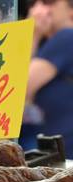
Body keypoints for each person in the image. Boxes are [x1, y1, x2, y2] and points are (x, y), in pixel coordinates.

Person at [20, 0, 73, 156]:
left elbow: (18, 88)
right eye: (33, 3)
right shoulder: (53, 43)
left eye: (48, 2)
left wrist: (33, 33)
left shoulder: (66, 37)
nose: (38, 8)